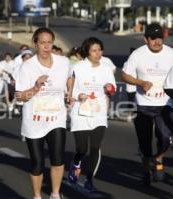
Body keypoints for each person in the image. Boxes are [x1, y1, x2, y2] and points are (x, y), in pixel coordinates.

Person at [16, 27, 72, 199]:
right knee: (37, 164)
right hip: (34, 121)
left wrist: (69, 92)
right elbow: (20, 96)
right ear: (35, 44)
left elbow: (71, 76)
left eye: (49, 42)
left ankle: (55, 194)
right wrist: (35, 87)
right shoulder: (27, 67)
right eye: (42, 43)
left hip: (56, 118)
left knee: (57, 159)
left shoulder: (63, 62)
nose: (46, 46)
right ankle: (37, 196)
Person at [121, 23, 173, 185]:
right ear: (146, 39)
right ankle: (146, 170)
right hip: (143, 103)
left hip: (165, 103)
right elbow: (124, 75)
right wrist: (140, 82)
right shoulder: (138, 55)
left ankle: (158, 159)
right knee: (145, 142)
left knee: (165, 137)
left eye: (160, 38)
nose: (157, 42)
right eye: (153, 39)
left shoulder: (171, 53)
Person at [68, 37, 116, 192]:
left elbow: (112, 87)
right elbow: (69, 87)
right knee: (82, 148)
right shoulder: (78, 67)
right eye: (94, 50)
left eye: (99, 50)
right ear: (87, 52)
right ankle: (76, 163)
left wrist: (109, 88)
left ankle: (89, 180)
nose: (98, 53)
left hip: (99, 112)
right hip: (80, 111)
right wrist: (77, 95)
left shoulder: (106, 68)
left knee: (95, 147)